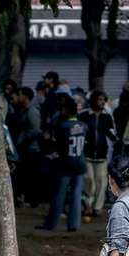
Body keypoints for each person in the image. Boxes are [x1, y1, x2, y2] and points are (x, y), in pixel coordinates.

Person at [37, 99, 87, 232]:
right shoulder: (83, 125)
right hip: (80, 163)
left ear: (66, 110)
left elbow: (57, 146)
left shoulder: (63, 127)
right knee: (76, 194)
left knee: (59, 194)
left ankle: (51, 223)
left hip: (65, 164)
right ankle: (74, 224)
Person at [80, 90, 117, 217]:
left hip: (102, 154)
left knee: (101, 181)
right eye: (99, 100)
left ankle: (97, 207)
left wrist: (116, 139)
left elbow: (112, 133)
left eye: (103, 100)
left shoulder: (107, 117)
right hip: (87, 153)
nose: (102, 103)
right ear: (93, 101)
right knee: (89, 180)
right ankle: (88, 204)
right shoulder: (84, 115)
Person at [13, 87, 43, 207]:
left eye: (20, 95)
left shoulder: (32, 111)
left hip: (31, 148)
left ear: (25, 97)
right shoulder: (23, 110)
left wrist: (23, 140)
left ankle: (33, 199)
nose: (18, 97)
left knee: (30, 175)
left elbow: (35, 129)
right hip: (26, 148)